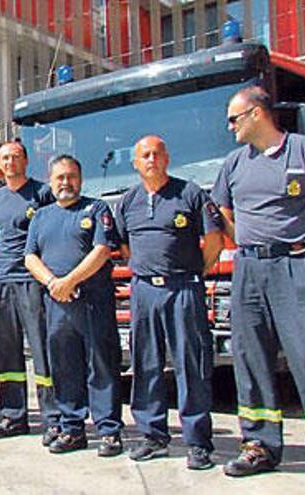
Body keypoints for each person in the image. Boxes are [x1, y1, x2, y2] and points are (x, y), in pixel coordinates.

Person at [213, 85, 305, 491]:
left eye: (234, 118)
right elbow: (223, 212)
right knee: (250, 360)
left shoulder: (303, 151)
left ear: (256, 114)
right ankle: (260, 446)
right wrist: (253, 244)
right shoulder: (233, 163)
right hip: (249, 268)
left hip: (296, 266)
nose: (230, 126)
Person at [116, 136, 224, 469]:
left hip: (183, 289)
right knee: (145, 363)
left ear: (167, 158)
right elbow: (124, 247)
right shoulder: (128, 201)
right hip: (144, 291)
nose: (150, 159)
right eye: (144, 155)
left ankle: (197, 442)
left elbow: (215, 241)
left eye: (156, 154)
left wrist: (192, 272)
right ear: (135, 163)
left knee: (190, 365)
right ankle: (152, 436)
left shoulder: (190, 193)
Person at [24, 155, 124, 456]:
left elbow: (102, 250)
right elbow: (30, 257)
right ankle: (72, 429)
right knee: (65, 367)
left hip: (92, 301)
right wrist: (55, 284)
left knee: (101, 365)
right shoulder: (41, 216)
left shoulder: (96, 209)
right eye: (60, 178)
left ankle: (108, 431)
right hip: (58, 305)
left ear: (80, 179)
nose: (66, 182)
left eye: (71, 177)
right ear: (50, 181)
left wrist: (68, 281)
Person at [0, 141, 60, 440]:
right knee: (6, 352)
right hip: (3, 279)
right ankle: (13, 416)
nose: (10, 162)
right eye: (5, 158)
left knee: (42, 350)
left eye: (15, 157)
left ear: (26, 161)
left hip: (32, 280)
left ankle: (53, 419)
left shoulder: (42, 193)